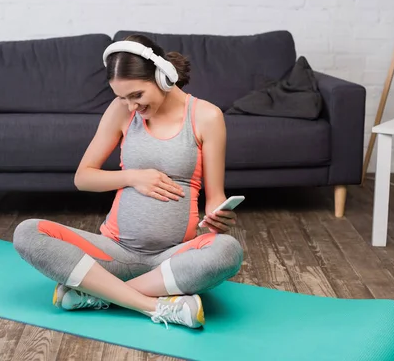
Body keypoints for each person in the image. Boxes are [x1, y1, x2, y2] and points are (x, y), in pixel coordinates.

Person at [13, 34, 244, 330]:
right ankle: (152, 305)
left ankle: (100, 294)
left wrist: (217, 215)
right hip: (113, 252)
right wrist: (134, 177)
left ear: (162, 77)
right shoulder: (120, 110)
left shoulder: (207, 116)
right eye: (122, 97)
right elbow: (83, 177)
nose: (130, 106)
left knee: (228, 250)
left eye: (136, 95)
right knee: (28, 233)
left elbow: (214, 197)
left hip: (173, 259)